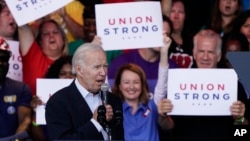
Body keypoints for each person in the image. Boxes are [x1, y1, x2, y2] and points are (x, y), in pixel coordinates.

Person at [157, 29, 249, 141]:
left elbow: (242, 135)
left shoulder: (233, 85)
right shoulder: (178, 82)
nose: (205, 57)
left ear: (219, 56)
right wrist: (162, 116)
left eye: (210, 52)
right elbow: (167, 128)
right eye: (201, 51)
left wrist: (240, 119)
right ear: (194, 54)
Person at [45, 43, 124, 140]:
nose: (103, 73)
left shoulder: (113, 100)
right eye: (97, 67)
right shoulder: (58, 103)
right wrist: (95, 123)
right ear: (79, 70)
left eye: (105, 66)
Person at [108, 15, 179, 96]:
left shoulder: (172, 67)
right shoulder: (120, 62)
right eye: (158, 33)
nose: (162, 38)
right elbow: (110, 96)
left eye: (166, 34)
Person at [18, 19, 68, 96]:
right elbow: (22, 26)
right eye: (46, 33)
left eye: (55, 32)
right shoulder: (33, 56)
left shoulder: (72, 63)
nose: (51, 35)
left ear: (63, 40)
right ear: (40, 42)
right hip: (30, 107)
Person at [0, 36, 32, 138]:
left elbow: (25, 120)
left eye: (4, 58)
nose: (0, 63)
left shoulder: (20, 89)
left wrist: (16, 140)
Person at [168, 0, 194, 68]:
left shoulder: (193, 42)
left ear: (185, 16)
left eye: (180, 12)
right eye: (172, 11)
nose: (176, 16)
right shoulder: (161, 42)